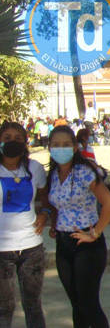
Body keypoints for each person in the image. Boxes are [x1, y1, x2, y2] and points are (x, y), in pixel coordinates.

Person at [47, 125, 110, 328]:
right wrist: (55, 224)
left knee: (88, 303)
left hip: (87, 244)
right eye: (56, 145)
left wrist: (94, 233)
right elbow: (55, 204)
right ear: (49, 147)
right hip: (63, 242)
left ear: (75, 147)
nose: (61, 149)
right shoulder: (53, 174)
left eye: (66, 145)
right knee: (76, 303)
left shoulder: (84, 172)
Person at [0, 122, 48, 328]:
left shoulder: (35, 168)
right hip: (2, 250)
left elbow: (46, 197)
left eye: (18, 138)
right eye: (7, 137)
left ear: (25, 142)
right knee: (4, 307)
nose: (12, 142)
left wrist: (45, 213)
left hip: (31, 248)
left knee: (33, 305)